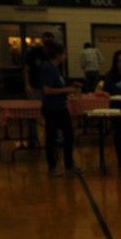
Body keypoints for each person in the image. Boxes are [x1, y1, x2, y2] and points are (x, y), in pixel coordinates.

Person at [39, 41, 83, 176]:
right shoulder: (48, 68)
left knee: (69, 135)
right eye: (64, 54)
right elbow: (47, 90)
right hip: (52, 108)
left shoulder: (56, 68)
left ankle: (69, 164)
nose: (65, 57)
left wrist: (68, 91)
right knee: (51, 138)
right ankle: (52, 167)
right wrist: (65, 89)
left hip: (61, 107)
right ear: (58, 55)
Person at [23, 31, 54, 147]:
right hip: (35, 87)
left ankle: (51, 138)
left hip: (49, 89)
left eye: (49, 41)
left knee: (51, 114)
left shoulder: (53, 54)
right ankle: (32, 138)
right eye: (46, 41)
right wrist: (27, 84)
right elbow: (26, 69)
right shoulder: (34, 52)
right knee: (32, 115)